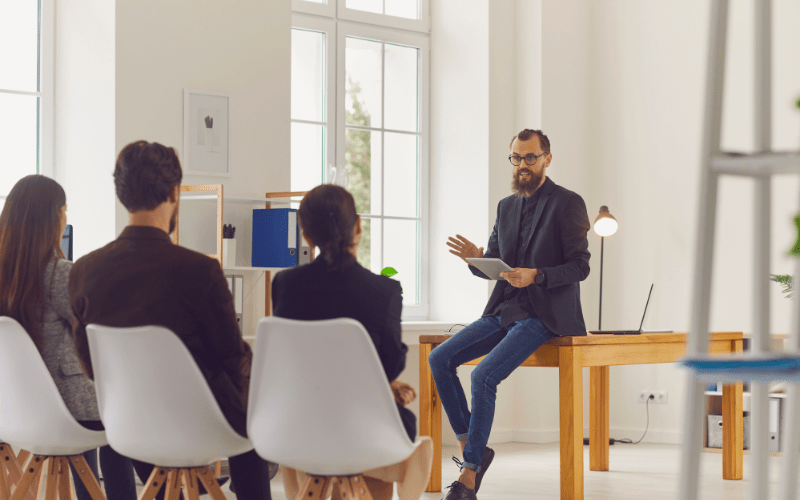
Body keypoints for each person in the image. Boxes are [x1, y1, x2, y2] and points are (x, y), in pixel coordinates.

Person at [68, 141, 271, 500]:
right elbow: (232, 358)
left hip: (129, 426)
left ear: (121, 194)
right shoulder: (200, 271)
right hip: (200, 426)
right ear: (174, 193)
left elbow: (90, 365)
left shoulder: (84, 271)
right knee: (253, 406)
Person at [430, 129, 591, 500]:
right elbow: (497, 266)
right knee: (440, 358)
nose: (522, 165)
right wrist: (476, 258)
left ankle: (469, 476)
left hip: (544, 314)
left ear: (547, 158)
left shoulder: (568, 202)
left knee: (484, 374)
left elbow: (580, 266)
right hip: (504, 309)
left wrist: (538, 274)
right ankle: (475, 446)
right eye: (516, 158)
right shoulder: (505, 205)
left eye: (530, 157)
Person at [271, 184, 432, 500]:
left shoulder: (286, 284)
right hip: (364, 429)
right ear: (357, 226)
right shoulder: (383, 291)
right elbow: (389, 364)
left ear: (306, 235)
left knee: (365, 418)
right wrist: (384, 385)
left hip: (300, 425)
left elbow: (294, 361)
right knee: (392, 421)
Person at [0, 175, 137, 500]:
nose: (66, 217)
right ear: (52, 218)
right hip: (64, 414)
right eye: (64, 209)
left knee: (97, 406)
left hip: (12, 412)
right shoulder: (59, 274)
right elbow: (100, 331)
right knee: (121, 413)